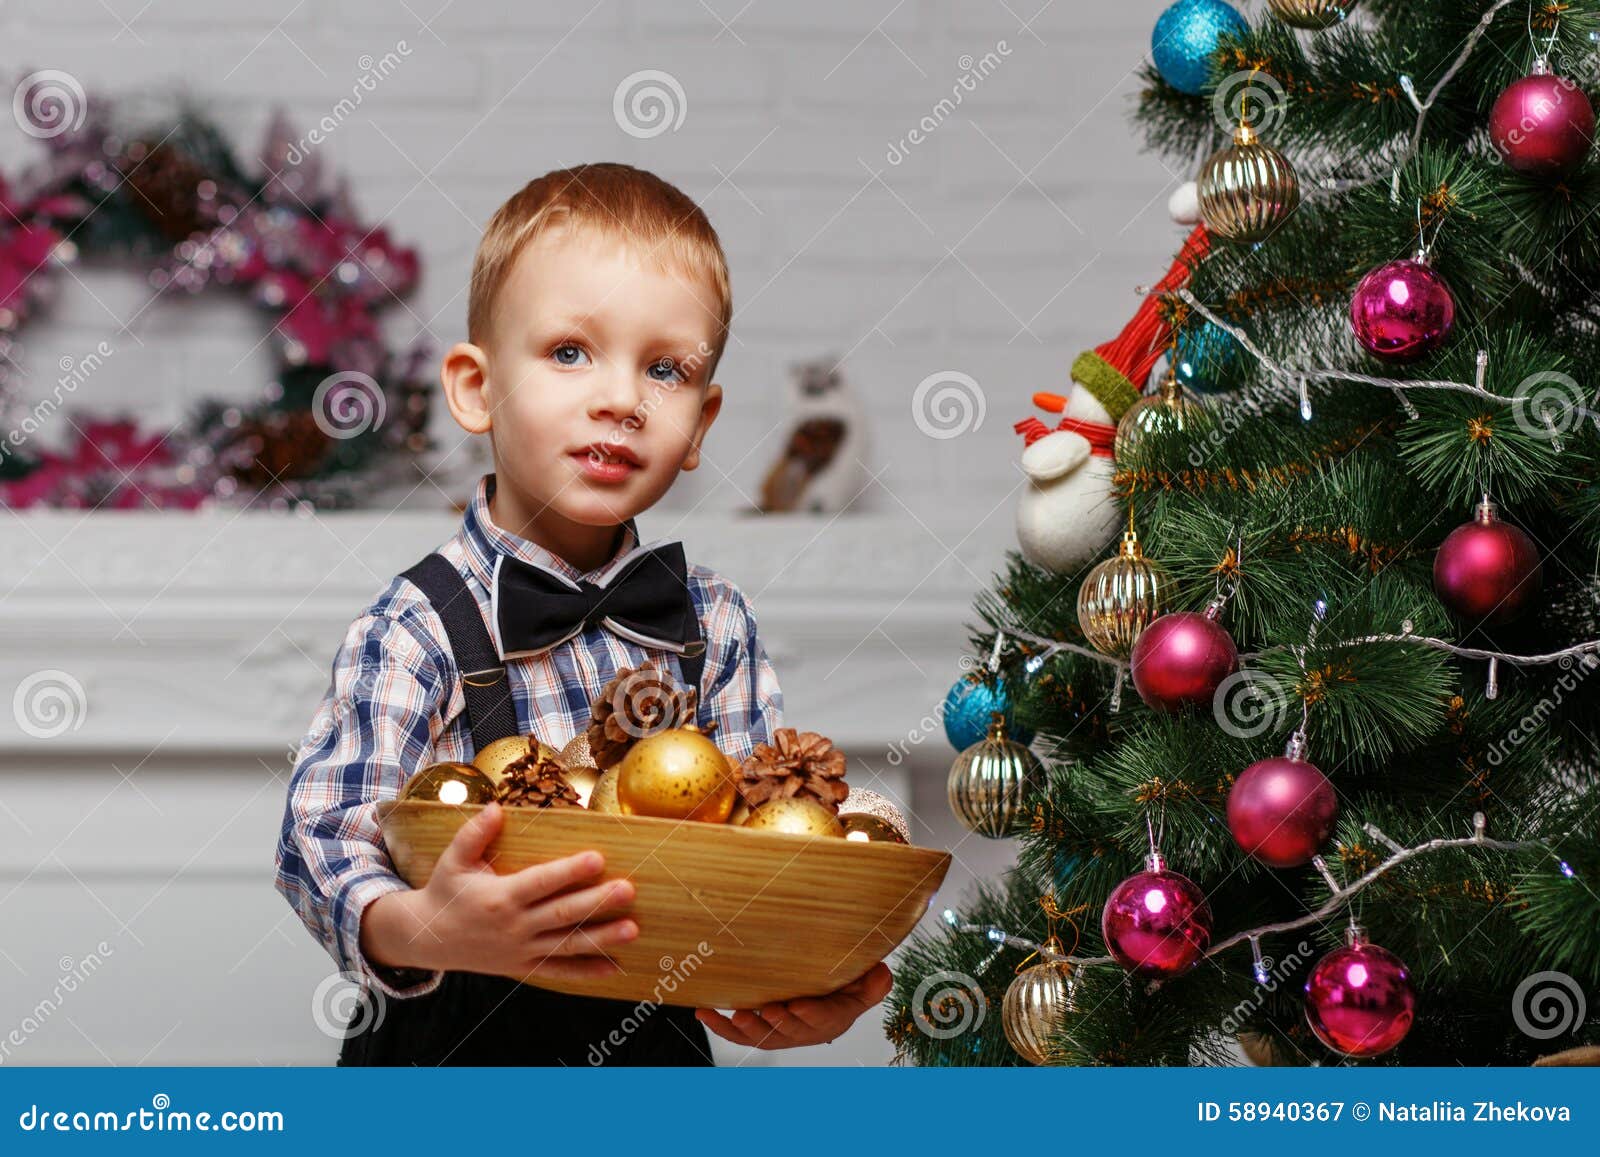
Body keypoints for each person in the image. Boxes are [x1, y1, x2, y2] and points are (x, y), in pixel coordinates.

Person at [272, 163, 892, 1065]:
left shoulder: (714, 625)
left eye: (666, 369)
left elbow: (763, 848)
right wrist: (425, 927)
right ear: (476, 388)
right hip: (450, 1050)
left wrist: (800, 981)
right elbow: (317, 834)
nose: (621, 398)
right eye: (570, 352)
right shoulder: (417, 622)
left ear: (702, 425)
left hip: (652, 1050)